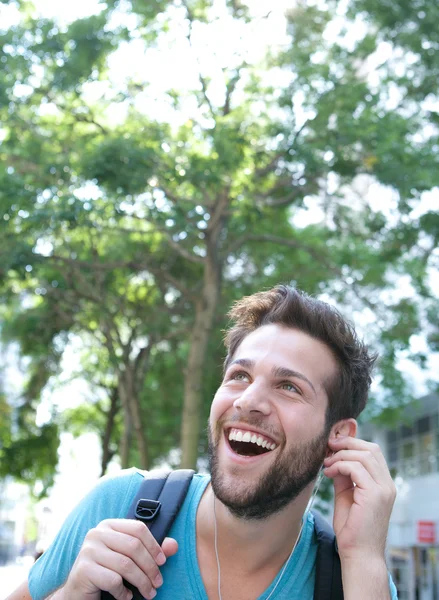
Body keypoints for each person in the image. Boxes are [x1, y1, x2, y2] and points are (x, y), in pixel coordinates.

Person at [8, 285, 398, 600]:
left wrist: (363, 559)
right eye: (239, 376)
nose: (247, 401)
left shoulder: (355, 577)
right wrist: (72, 594)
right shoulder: (119, 505)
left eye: (289, 387)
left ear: (339, 437)